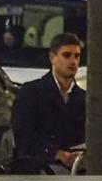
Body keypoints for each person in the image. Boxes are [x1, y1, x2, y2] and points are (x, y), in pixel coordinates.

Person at [11, 33, 85, 173]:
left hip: (78, 166)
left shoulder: (82, 97)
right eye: (67, 55)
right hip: (41, 165)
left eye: (77, 56)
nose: (73, 62)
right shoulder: (31, 92)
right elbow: (23, 135)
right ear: (52, 58)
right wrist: (57, 154)